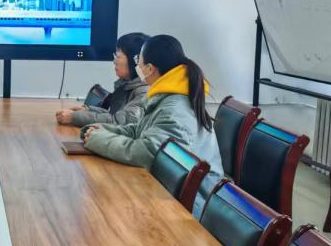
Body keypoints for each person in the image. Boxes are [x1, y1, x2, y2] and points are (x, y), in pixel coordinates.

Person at [81, 34, 224, 216]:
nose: (137, 66)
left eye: (138, 61)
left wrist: (98, 139)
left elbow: (146, 153)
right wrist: (100, 131)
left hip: (193, 209)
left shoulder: (174, 110)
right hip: (172, 194)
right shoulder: (167, 96)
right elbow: (138, 130)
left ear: (150, 69)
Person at [56, 32, 150, 128]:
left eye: (118, 56)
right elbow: (115, 114)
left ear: (136, 61)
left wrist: (74, 117)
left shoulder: (144, 91)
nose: (114, 61)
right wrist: (87, 110)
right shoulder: (128, 85)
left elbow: (119, 121)